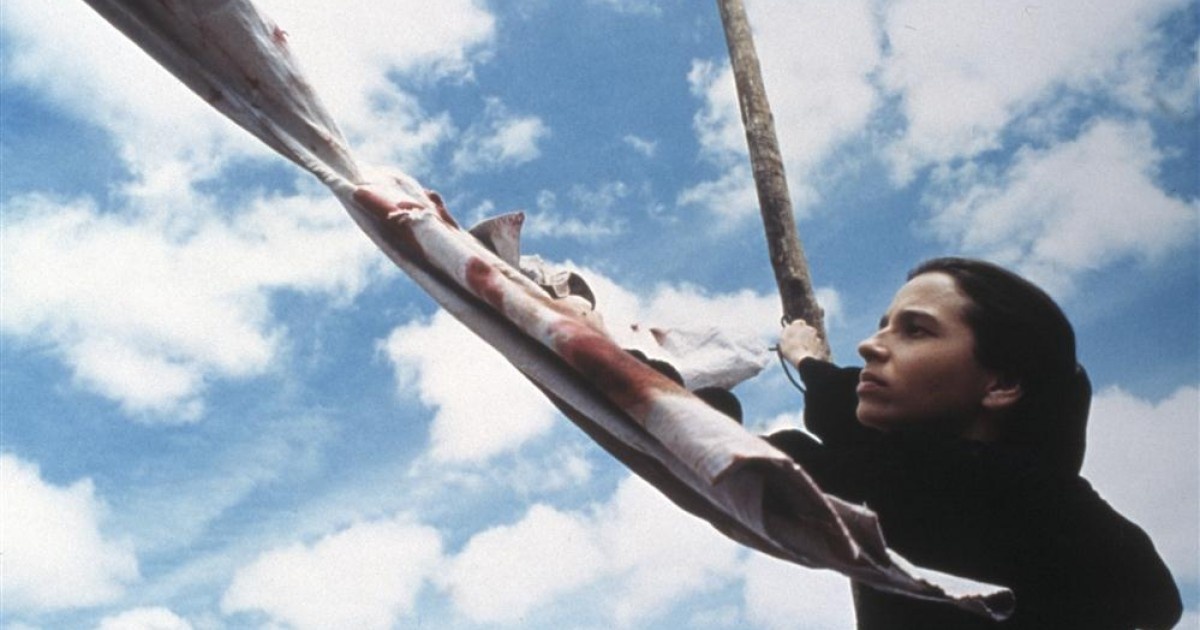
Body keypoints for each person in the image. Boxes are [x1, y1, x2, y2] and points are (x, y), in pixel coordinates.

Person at [766, 257, 1182, 629]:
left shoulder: (946, 481)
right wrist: (807, 361)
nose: (869, 345)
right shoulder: (1048, 493)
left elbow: (771, 461)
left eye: (915, 330)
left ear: (1002, 383)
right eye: (884, 326)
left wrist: (722, 405)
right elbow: (1161, 603)